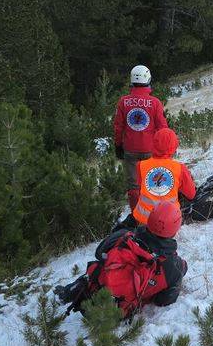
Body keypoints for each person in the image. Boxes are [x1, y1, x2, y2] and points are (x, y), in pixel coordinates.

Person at [55, 201, 188, 316]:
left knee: (100, 265)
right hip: (117, 315)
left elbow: (99, 252)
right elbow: (162, 301)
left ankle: (69, 292)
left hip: (87, 301)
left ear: (150, 218)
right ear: (175, 229)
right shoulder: (174, 267)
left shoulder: (125, 236)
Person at [113, 65, 168, 211]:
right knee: (153, 182)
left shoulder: (123, 102)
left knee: (133, 186)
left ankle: (137, 216)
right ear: (148, 79)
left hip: (130, 149)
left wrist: (118, 146)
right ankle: (154, 213)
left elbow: (118, 126)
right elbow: (163, 129)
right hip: (150, 150)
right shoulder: (155, 103)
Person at [130, 127, 196, 227]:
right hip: (169, 221)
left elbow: (141, 189)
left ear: (154, 143)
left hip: (143, 219)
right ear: (174, 146)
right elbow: (191, 194)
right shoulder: (180, 168)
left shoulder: (141, 165)